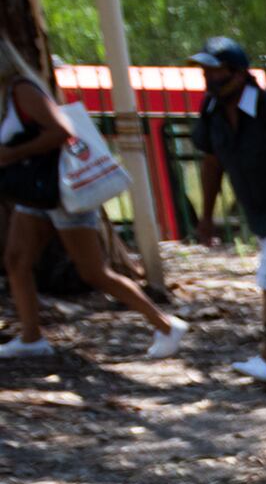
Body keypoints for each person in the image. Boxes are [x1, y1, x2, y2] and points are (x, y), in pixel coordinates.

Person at [0, 43, 189, 361]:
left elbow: (62, 131)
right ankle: (31, 337)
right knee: (17, 260)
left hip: (63, 191)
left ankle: (166, 324)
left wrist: (14, 154)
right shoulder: (6, 96)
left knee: (93, 272)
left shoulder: (22, 90)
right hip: (34, 194)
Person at [189, 36, 266, 379]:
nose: (210, 80)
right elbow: (211, 163)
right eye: (206, 73)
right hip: (260, 216)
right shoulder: (211, 112)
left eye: (217, 72)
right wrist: (206, 216)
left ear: (240, 73)